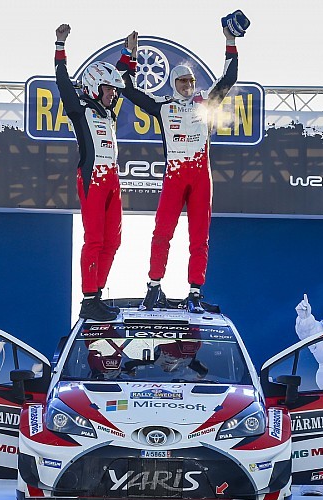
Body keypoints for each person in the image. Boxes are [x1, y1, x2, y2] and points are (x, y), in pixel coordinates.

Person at [116, 23, 239, 313]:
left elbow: (230, 77)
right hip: (174, 176)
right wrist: (129, 54)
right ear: (174, 84)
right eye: (182, 81)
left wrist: (230, 40)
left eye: (191, 81)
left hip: (199, 176)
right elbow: (129, 90)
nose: (187, 86)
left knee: (199, 237)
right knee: (162, 233)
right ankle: (154, 287)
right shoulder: (163, 105)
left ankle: (195, 292)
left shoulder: (206, 103)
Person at [55, 23, 125, 322]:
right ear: (95, 86)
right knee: (94, 239)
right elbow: (62, 82)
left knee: (113, 241)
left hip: (112, 178)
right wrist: (60, 45)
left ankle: (96, 295)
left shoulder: (107, 111)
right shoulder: (78, 108)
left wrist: (127, 54)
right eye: (108, 89)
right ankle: (88, 299)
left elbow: (123, 77)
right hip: (92, 177)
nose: (113, 94)